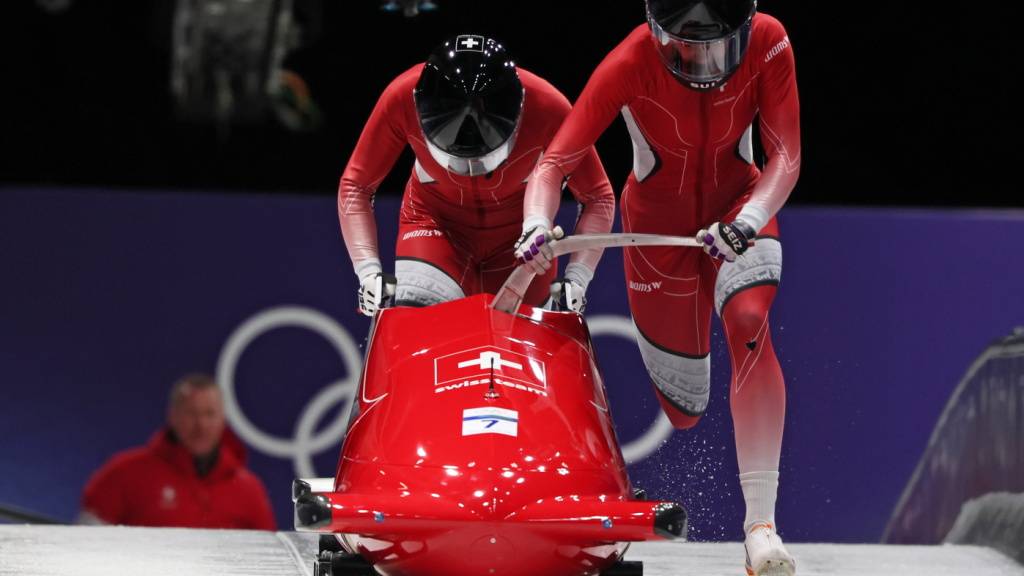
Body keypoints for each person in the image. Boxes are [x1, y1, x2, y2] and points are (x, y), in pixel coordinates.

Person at [518, 1, 800, 574]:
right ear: (658, 32)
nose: (704, 60)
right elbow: (553, 165)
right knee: (684, 410)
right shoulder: (628, 62)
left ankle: (761, 528)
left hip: (739, 210)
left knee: (749, 322)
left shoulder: (770, 39)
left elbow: (787, 156)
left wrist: (747, 222)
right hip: (655, 234)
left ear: (743, 28)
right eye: (687, 45)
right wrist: (535, 224)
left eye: (719, 45)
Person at [338, 34, 614, 315]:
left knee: (520, 342)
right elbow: (356, 185)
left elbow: (597, 196)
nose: (471, 167)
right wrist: (368, 270)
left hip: (524, 243)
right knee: (427, 330)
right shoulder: (400, 97)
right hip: (434, 227)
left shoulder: (549, 107)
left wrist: (577, 278)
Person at [80, 374, 275, 530]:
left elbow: (269, 558)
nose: (201, 425)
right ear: (172, 416)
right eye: (191, 413)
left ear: (223, 419)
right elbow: (86, 546)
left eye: (209, 414)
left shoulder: (248, 489)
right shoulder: (123, 474)